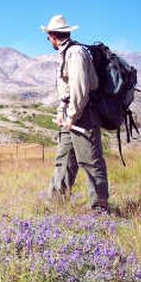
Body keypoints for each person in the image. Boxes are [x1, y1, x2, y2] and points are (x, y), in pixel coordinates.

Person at [41, 14, 109, 212]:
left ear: (54, 36)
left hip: (83, 116)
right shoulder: (65, 53)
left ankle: (99, 208)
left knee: (90, 161)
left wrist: (72, 116)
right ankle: (56, 204)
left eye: (48, 37)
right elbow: (66, 91)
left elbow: (79, 88)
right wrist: (62, 114)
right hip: (70, 116)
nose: (48, 41)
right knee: (63, 161)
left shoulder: (76, 53)